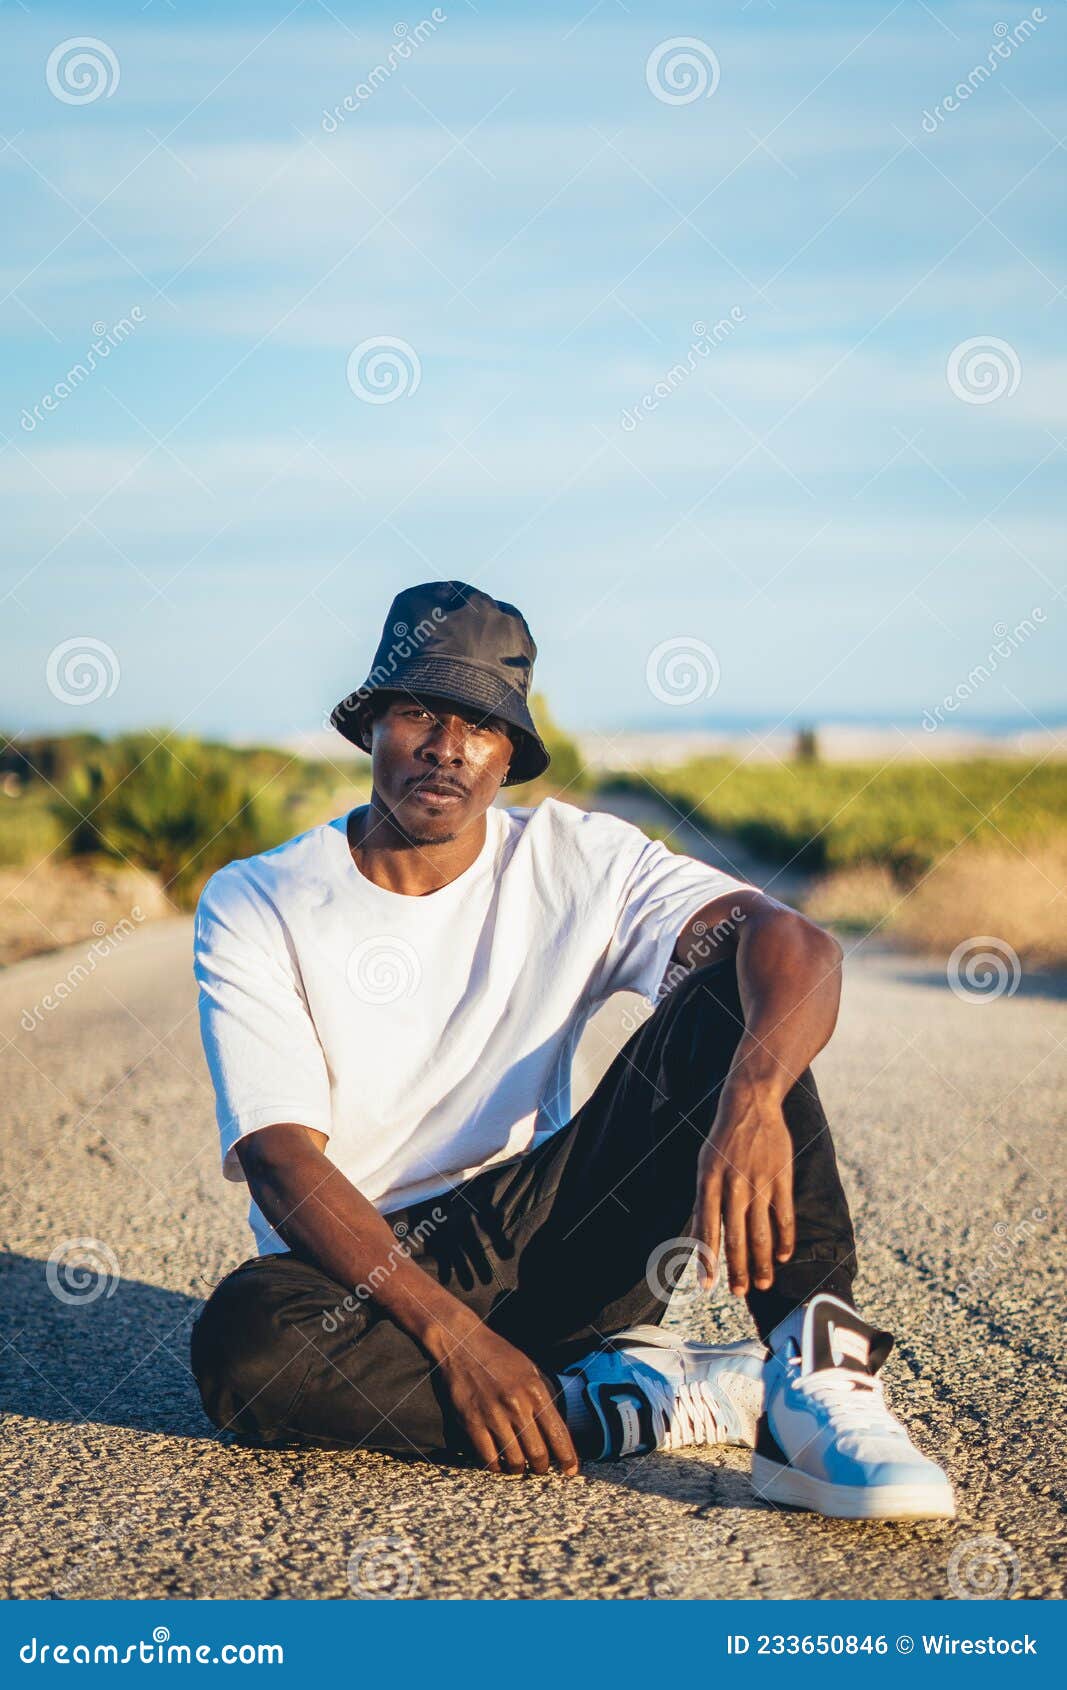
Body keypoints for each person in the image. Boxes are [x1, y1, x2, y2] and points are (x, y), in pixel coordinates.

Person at [190, 580, 954, 1521]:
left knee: (736, 986)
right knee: (248, 1349)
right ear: (371, 726)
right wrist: (460, 1346)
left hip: (551, 1238)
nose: (446, 747)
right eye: (418, 711)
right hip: (365, 1276)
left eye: (478, 723)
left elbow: (794, 940)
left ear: (510, 752)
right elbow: (280, 1159)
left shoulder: (573, 856)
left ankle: (814, 1377)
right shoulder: (257, 898)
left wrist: (751, 1099)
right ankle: (629, 1401)